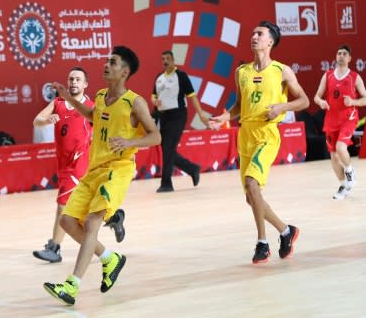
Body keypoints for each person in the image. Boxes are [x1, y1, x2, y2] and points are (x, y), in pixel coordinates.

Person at [43, 46, 160, 306]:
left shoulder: (135, 102)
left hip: (118, 169)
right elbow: (91, 116)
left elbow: (155, 136)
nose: (106, 65)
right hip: (94, 168)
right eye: (107, 61)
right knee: (67, 221)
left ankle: (72, 286)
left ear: (124, 71)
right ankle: (110, 258)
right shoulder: (100, 95)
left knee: (94, 221)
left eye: (113, 62)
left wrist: (130, 142)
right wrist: (68, 98)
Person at [209, 21, 309, 264]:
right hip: (245, 135)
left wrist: (282, 107)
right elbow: (239, 106)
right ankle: (286, 231)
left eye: (259, 34)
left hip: (267, 134)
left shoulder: (282, 71)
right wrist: (225, 116)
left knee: (253, 184)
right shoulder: (241, 72)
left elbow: (304, 100)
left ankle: (262, 243)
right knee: (250, 197)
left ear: (270, 41)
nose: (253, 36)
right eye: (253, 33)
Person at [32, 67, 126, 263]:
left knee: (63, 206)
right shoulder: (57, 103)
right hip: (63, 164)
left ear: (85, 85)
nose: (73, 82)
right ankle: (113, 217)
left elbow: (106, 130)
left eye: (78, 79)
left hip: (79, 164)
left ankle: (54, 248)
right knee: (83, 213)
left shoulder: (91, 107)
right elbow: (36, 121)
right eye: (71, 79)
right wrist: (46, 120)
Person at [312, 44, 366, 200]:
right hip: (331, 120)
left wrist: (352, 101)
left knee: (340, 147)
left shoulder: (355, 77)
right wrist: (321, 102)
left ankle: (350, 171)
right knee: (333, 157)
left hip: (348, 118)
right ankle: (343, 185)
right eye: (339, 53)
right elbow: (316, 96)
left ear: (349, 58)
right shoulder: (328, 75)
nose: (341, 55)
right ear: (336, 57)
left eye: (344, 53)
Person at [152, 50, 209, 193]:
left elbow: (192, 96)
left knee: (168, 149)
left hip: (178, 115)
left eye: (168, 58)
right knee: (167, 149)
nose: (165, 61)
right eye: (163, 58)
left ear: (173, 60)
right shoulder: (159, 77)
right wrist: (154, 100)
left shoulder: (181, 76)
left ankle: (166, 183)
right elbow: (153, 95)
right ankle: (193, 169)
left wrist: (201, 113)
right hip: (162, 116)